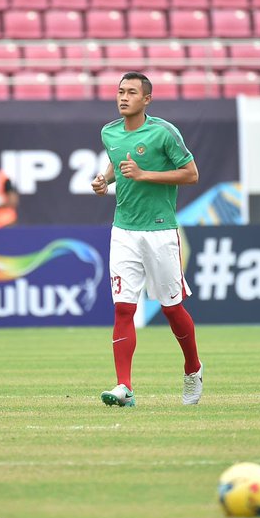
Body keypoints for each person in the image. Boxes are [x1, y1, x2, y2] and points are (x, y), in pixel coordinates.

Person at [92, 71, 203, 407]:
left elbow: (191, 174)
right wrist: (104, 179)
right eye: (120, 91)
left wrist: (145, 175)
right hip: (123, 231)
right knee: (123, 308)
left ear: (147, 99)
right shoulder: (109, 132)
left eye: (131, 92)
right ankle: (124, 387)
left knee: (172, 308)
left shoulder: (164, 133)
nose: (123, 97)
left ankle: (193, 368)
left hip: (159, 231)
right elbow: (117, 161)